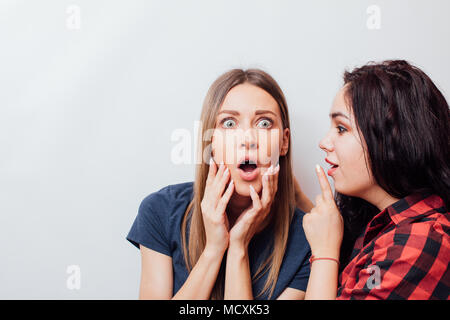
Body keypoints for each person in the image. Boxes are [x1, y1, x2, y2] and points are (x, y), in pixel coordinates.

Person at [127, 68, 314, 299]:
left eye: (264, 123)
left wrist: (238, 248)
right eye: (229, 123)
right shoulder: (161, 211)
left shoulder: (309, 239)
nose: (248, 139)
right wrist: (214, 249)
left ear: (284, 142)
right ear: (211, 141)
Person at [301, 60, 450, 300]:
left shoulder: (419, 242)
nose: (324, 142)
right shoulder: (381, 223)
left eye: (341, 129)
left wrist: (325, 254)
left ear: (390, 138)